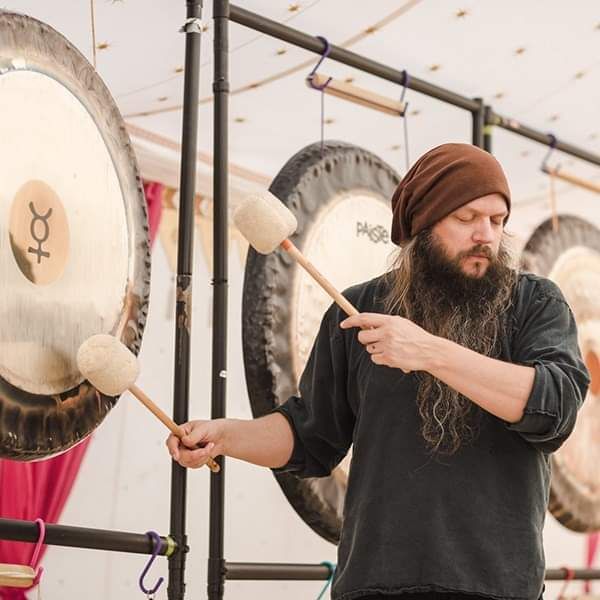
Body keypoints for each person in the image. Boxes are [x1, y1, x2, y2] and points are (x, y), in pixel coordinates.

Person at [166, 143, 590, 600]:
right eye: (466, 219)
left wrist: (428, 351)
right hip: (375, 583)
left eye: (496, 220)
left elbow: (554, 408)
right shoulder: (360, 309)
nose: (485, 234)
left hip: (493, 585)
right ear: (423, 226)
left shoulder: (535, 302)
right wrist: (225, 436)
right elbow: (310, 438)